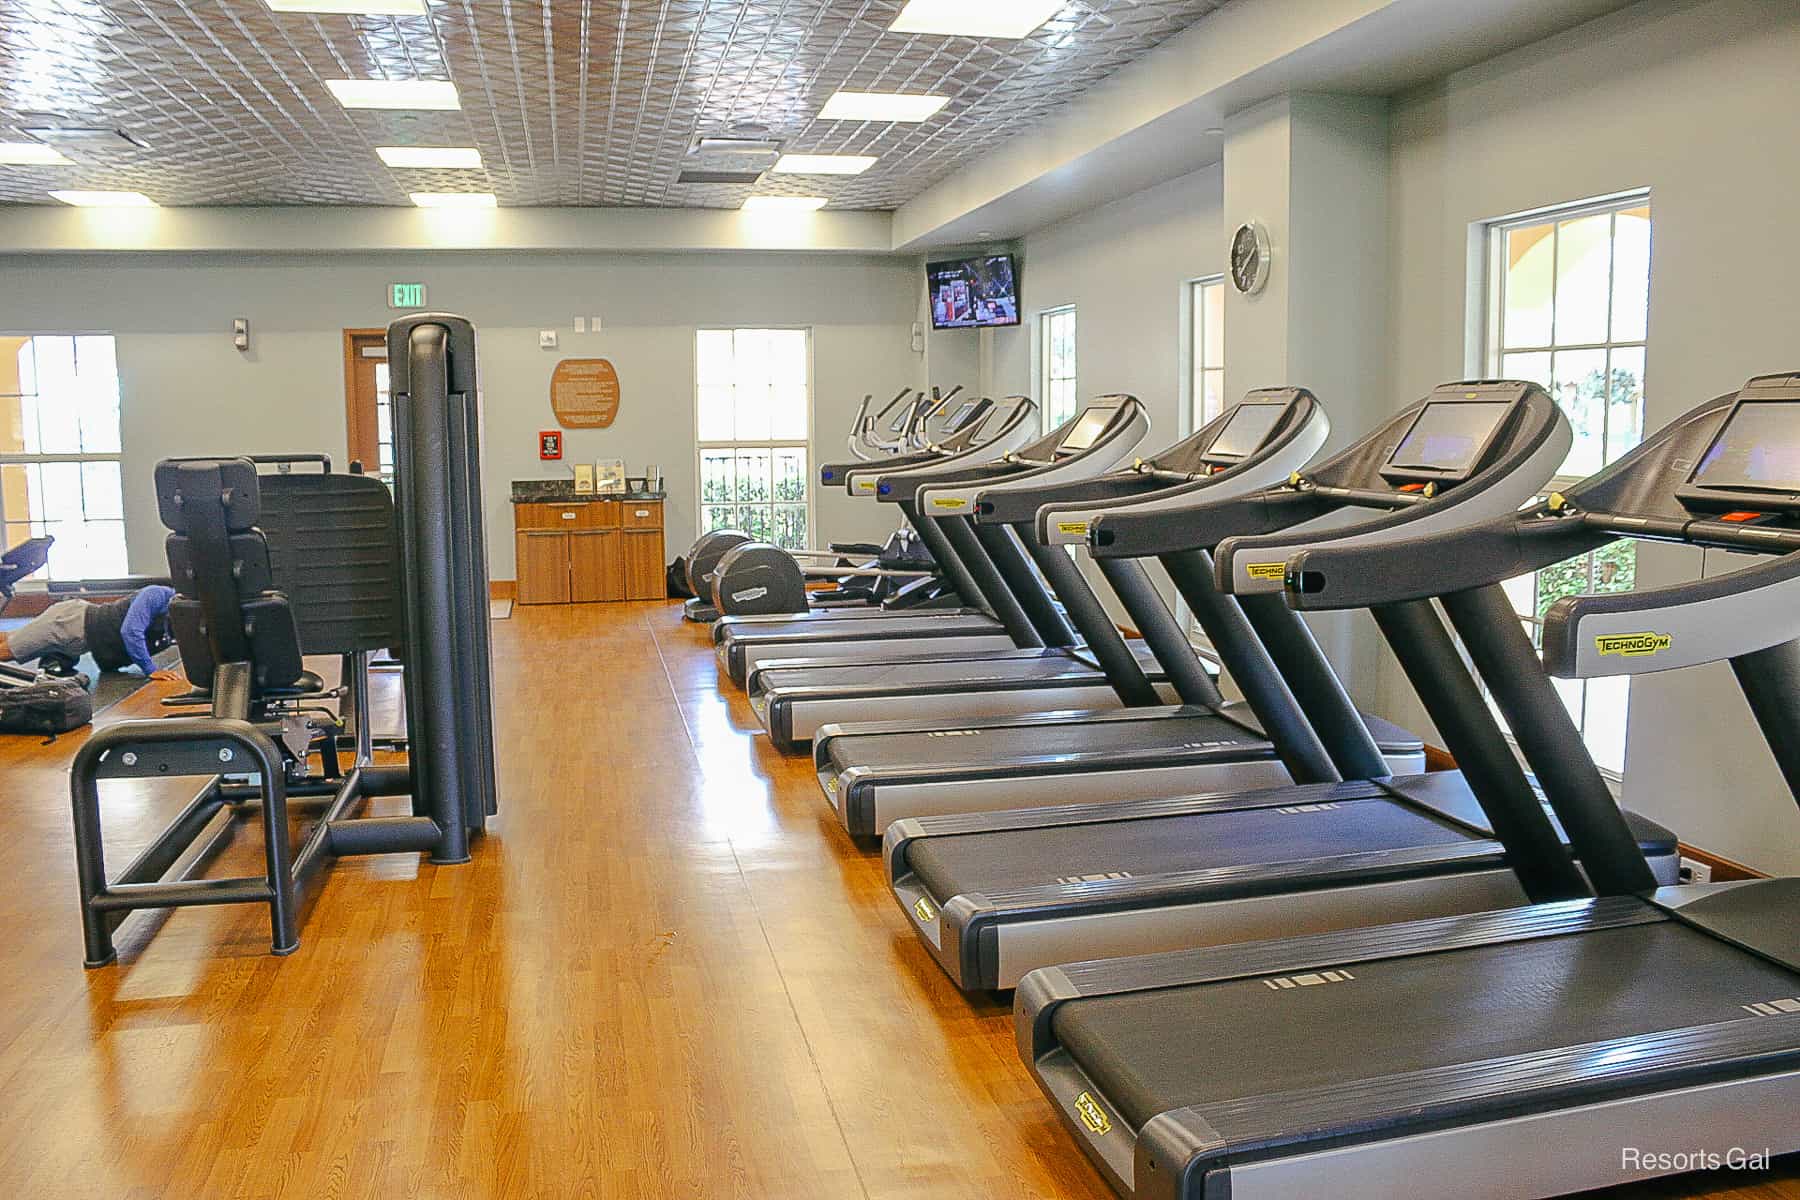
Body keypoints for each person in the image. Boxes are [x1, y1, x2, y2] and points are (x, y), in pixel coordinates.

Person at [0, 585, 179, 681]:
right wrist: (150, 670)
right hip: (70, 621)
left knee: (9, 638)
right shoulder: (156, 594)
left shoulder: (178, 618)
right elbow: (131, 631)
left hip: (78, 640)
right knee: (6, 653)